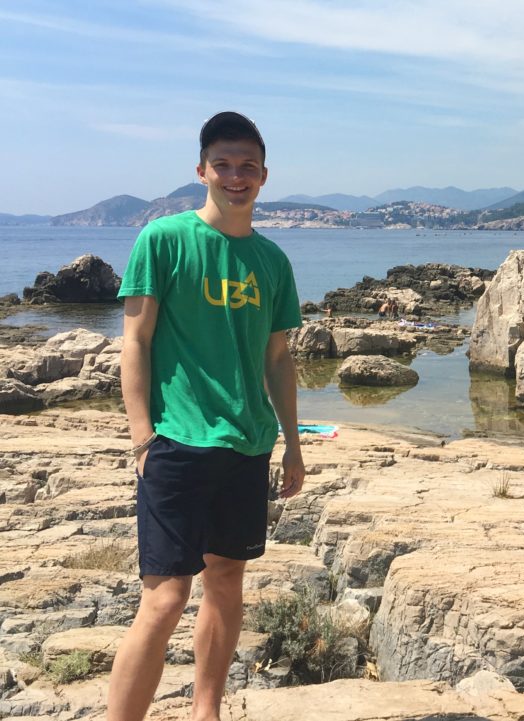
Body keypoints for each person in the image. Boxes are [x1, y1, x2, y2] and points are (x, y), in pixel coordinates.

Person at [107, 111, 305, 721]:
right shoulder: (163, 240)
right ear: (202, 171)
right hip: (176, 445)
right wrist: (143, 438)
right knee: (164, 599)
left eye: (247, 166)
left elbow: (278, 358)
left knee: (226, 584)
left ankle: (206, 712)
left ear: (264, 176)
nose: (235, 176)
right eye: (223, 164)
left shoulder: (272, 261)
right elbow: (135, 342)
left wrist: (293, 444)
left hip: (248, 446)